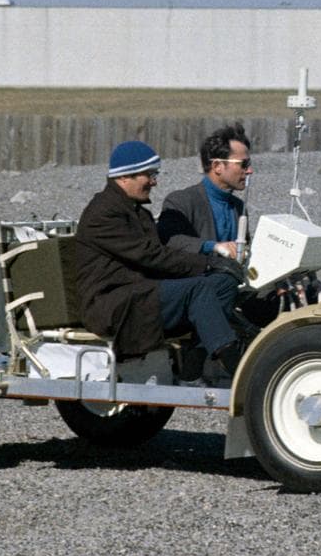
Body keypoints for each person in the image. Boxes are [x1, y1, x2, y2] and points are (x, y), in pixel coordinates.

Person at [74, 140, 245, 375]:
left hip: (141, 293)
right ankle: (236, 365)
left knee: (223, 284)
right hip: (112, 303)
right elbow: (150, 255)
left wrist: (215, 268)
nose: (154, 182)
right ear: (124, 177)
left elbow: (157, 257)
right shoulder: (103, 213)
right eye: (149, 175)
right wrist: (207, 262)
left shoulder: (136, 211)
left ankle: (194, 362)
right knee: (197, 288)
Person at [157, 123, 252, 259]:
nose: (249, 171)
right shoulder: (181, 201)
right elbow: (170, 239)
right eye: (243, 164)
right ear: (217, 166)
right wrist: (212, 246)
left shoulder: (239, 206)